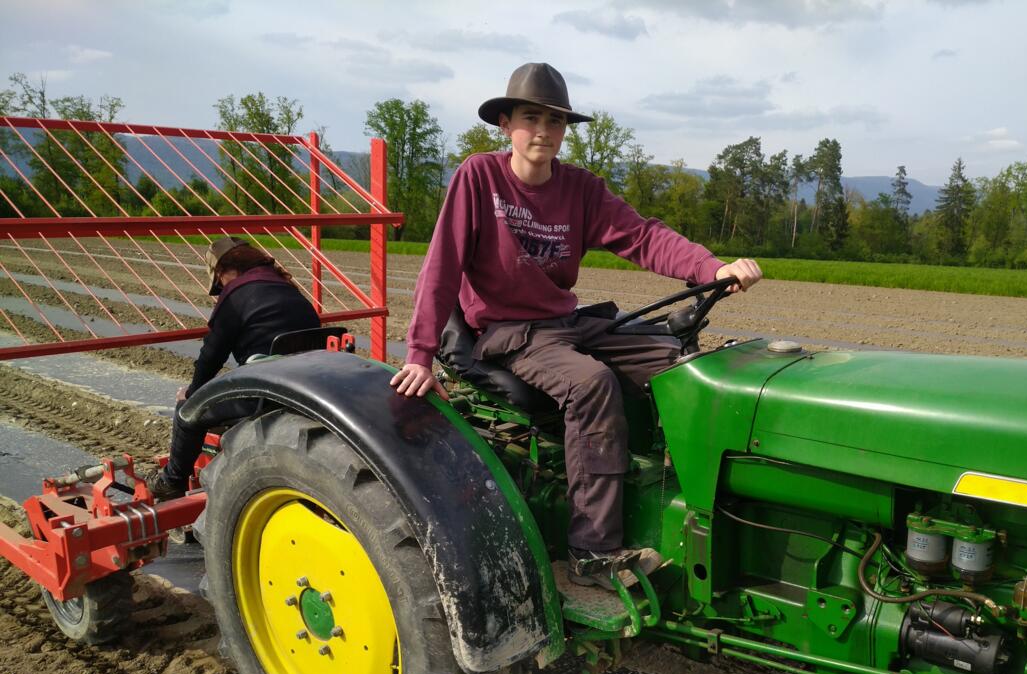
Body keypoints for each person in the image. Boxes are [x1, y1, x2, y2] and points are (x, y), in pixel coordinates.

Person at [392, 62, 762, 588]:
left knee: (681, 364)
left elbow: (643, 236)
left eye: (555, 120)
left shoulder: (580, 189)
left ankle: (686, 507)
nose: (543, 130)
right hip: (510, 333)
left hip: (568, 323)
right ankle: (591, 551)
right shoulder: (479, 177)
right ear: (505, 125)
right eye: (530, 117)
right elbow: (441, 266)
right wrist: (419, 355)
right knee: (591, 385)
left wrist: (713, 269)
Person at [147, 237, 320, 500]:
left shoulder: (237, 295)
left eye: (219, 282)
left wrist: (192, 393)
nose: (221, 288)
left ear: (225, 271)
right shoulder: (288, 288)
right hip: (304, 387)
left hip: (263, 395)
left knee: (188, 411)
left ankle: (172, 480)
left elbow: (212, 356)